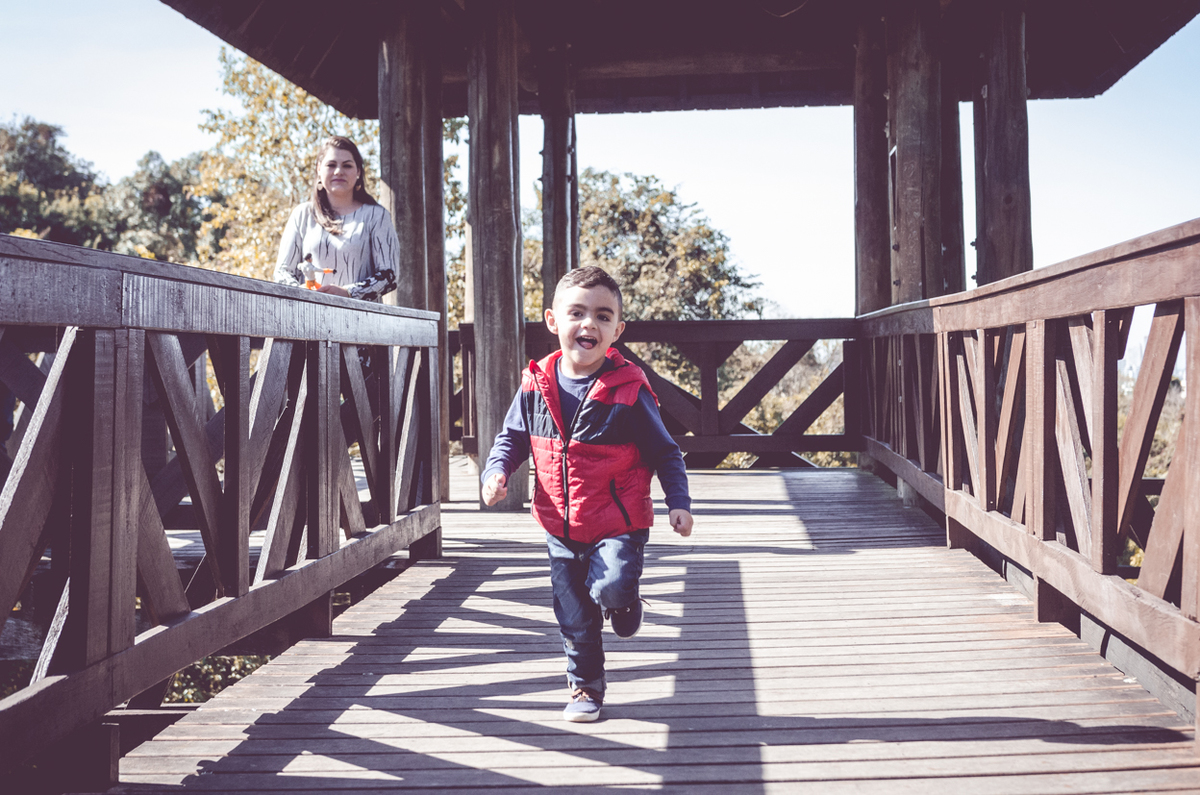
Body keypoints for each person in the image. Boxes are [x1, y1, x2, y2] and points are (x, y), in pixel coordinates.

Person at [481, 265, 694, 723]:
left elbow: (665, 451)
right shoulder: (535, 385)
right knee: (574, 614)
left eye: (602, 316)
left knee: (611, 585)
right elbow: (511, 438)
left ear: (617, 331)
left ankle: (623, 601)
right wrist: (496, 471)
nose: (588, 324)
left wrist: (678, 502)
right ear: (552, 320)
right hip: (559, 526)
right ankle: (585, 687)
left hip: (618, 522)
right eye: (576, 313)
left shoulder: (629, 390)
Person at [273, 136, 398, 302]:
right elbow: (282, 272)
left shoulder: (377, 216)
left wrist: (348, 293)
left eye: (347, 165)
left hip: (361, 316)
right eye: (331, 165)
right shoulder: (302, 215)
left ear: (358, 171)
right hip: (308, 314)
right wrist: (301, 292)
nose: (339, 171)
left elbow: (389, 275)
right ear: (319, 169)